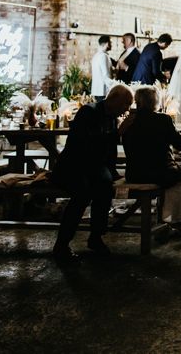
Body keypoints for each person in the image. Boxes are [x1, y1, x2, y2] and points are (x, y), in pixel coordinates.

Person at [51, 84, 133, 262]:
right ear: (114, 99)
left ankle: (96, 237)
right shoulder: (89, 112)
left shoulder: (111, 116)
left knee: (105, 186)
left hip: (93, 167)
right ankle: (61, 245)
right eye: (126, 104)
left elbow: (108, 151)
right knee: (82, 194)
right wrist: (119, 132)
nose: (127, 109)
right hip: (73, 166)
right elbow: (88, 145)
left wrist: (113, 173)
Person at [121, 86, 181, 232]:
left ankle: (170, 220)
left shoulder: (128, 122)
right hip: (160, 173)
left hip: (134, 174)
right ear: (155, 102)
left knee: (176, 180)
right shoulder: (162, 119)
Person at [91, 35, 114, 102]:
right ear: (107, 44)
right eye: (111, 43)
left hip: (97, 90)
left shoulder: (96, 56)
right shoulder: (104, 56)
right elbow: (106, 75)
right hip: (103, 91)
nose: (112, 45)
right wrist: (114, 86)